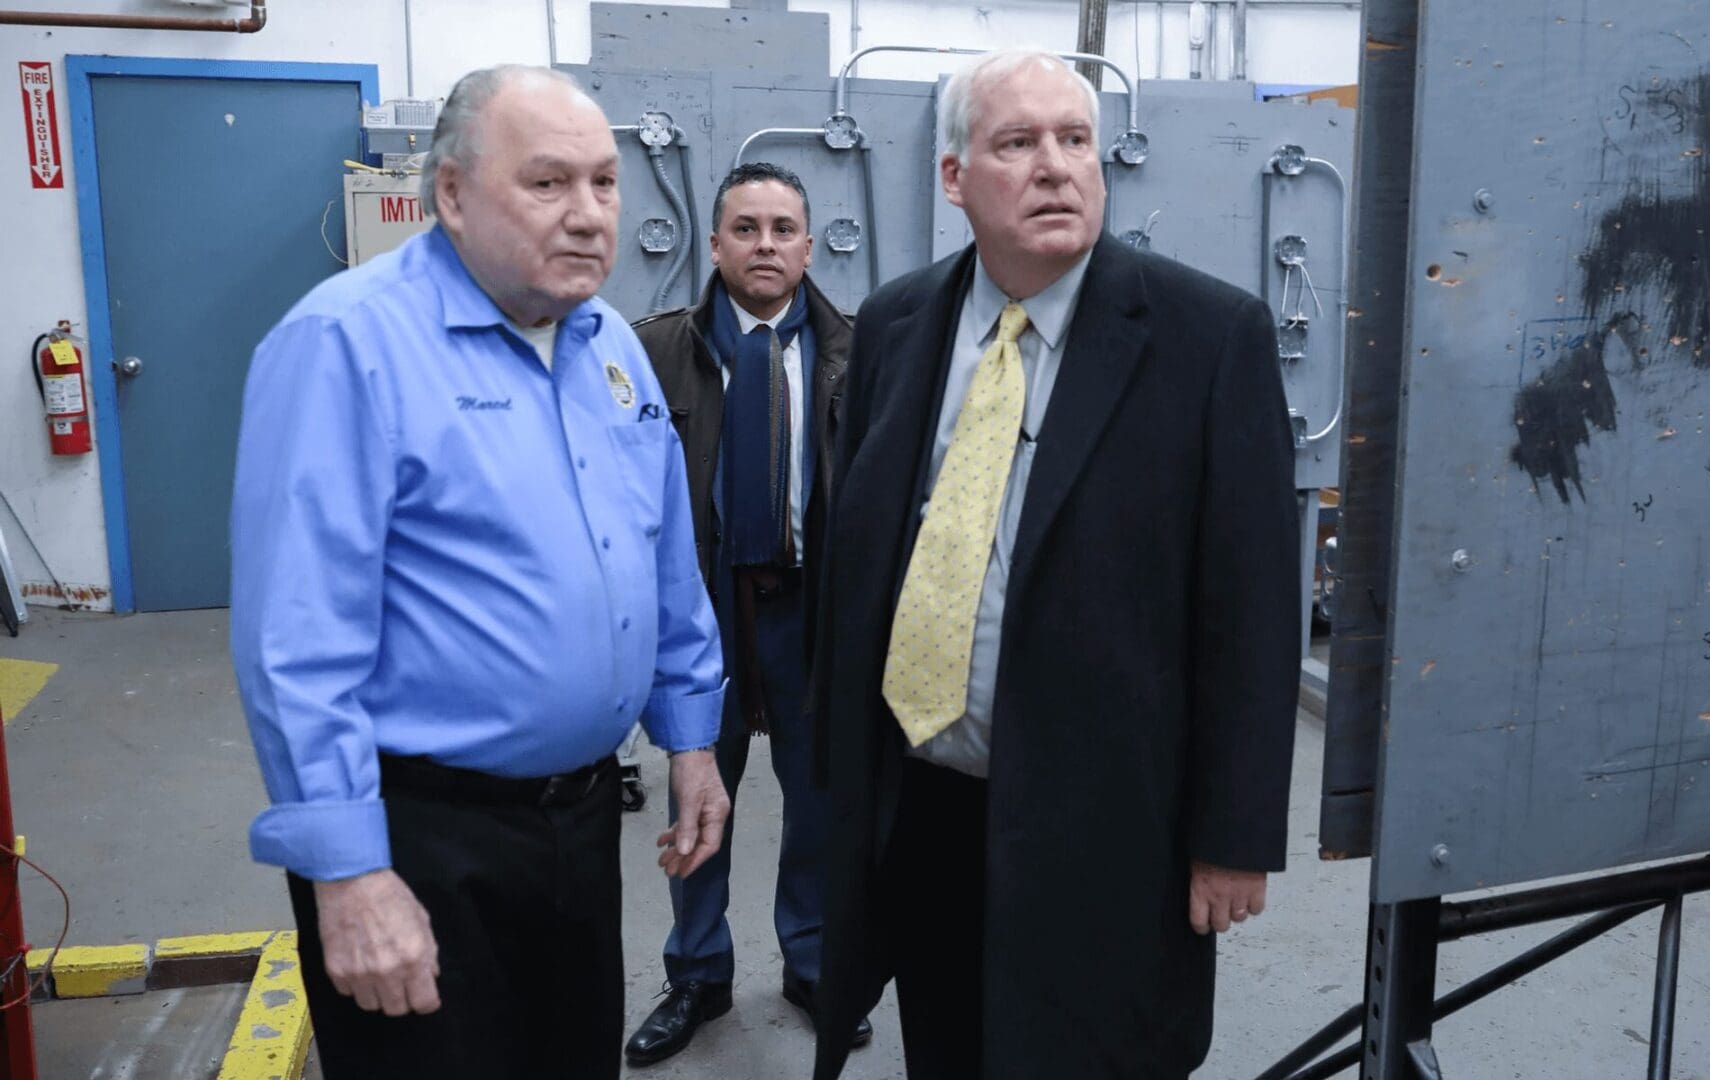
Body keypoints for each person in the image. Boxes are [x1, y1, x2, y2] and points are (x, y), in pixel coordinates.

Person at [229, 64, 732, 1079]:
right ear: (449, 195)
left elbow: (665, 562)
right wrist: (351, 874)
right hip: (423, 839)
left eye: (604, 182)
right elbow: (296, 639)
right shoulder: (347, 345)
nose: (591, 216)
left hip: (580, 823)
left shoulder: (609, 351)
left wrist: (691, 739)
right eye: (548, 184)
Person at [809, 48, 1302, 1079]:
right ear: (955, 179)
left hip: (1108, 821)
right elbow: (861, 561)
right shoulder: (899, 326)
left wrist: (1235, 831)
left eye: (1074, 140)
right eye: (1018, 142)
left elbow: (1251, 610)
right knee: (948, 1050)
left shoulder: (1206, 338)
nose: (1055, 167)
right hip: (928, 805)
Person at [622, 162, 873, 1064]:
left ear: (809, 245)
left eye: (782, 229)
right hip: (706, 617)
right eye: (746, 228)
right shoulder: (653, 352)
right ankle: (697, 972)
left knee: (819, 804)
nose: (765, 245)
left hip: (813, 617)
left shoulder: (861, 352)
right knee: (696, 799)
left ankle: (811, 964)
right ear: (716, 243)